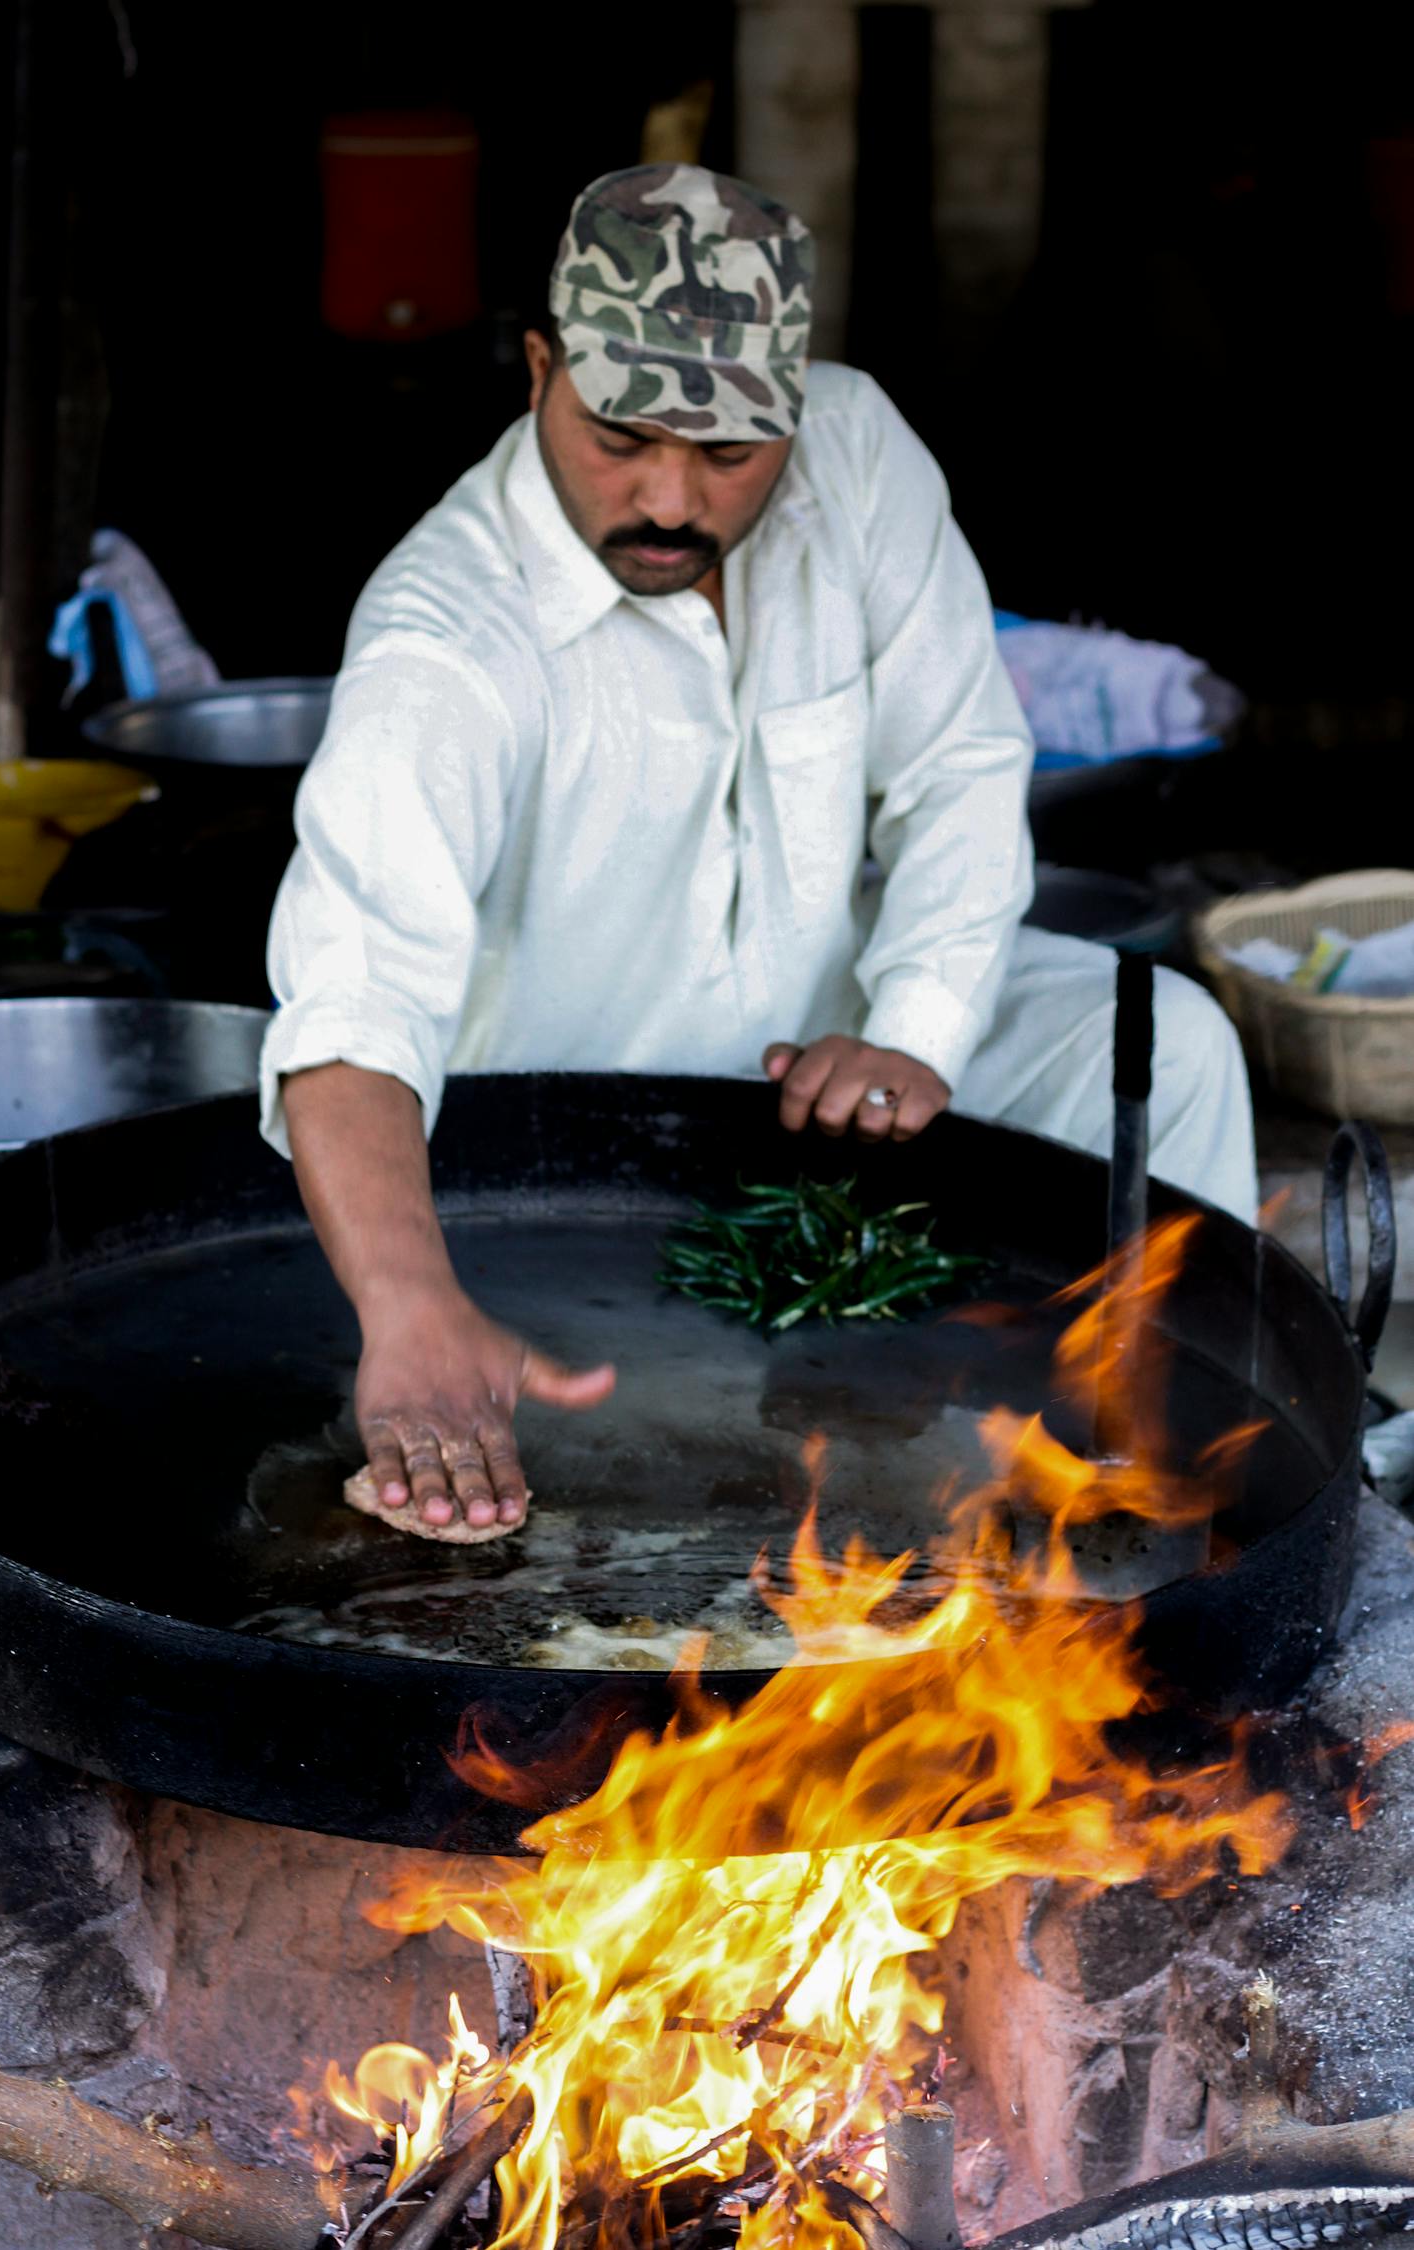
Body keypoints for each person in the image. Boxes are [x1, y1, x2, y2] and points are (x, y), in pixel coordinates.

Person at [262, 164, 1256, 1540]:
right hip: (580, 1165)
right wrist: (411, 1300)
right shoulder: (447, 637)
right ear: (539, 367)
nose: (669, 496)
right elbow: (350, 1013)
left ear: (796, 405)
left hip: (828, 1064)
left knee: (1164, 1044)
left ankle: (1186, 1482)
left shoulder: (857, 458)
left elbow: (963, 762)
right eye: (623, 435)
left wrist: (915, 1027)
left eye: (729, 451)